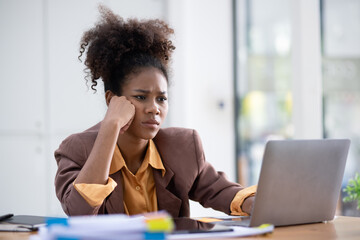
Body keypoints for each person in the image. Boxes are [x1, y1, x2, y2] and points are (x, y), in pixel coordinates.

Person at [54, 6, 256, 217]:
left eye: (162, 99)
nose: (154, 109)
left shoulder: (183, 147)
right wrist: (110, 126)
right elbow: (79, 213)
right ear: (112, 100)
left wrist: (253, 203)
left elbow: (221, 190)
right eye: (141, 97)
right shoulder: (76, 150)